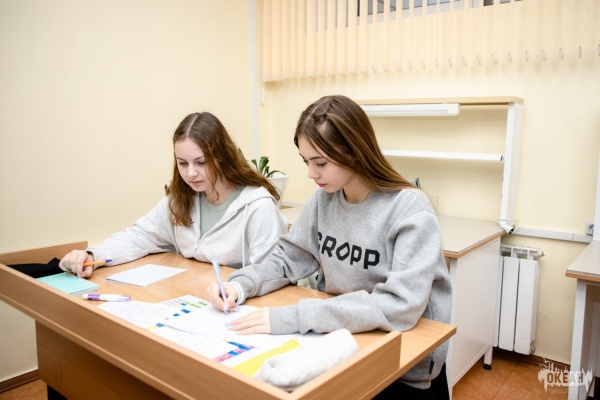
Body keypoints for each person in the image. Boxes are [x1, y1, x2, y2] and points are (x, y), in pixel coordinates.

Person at [207, 95, 452, 399]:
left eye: (320, 163)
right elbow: (289, 257)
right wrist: (241, 285)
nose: (311, 173)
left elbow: (399, 307)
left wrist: (295, 317)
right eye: (306, 161)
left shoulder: (410, 210)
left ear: (355, 152)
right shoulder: (324, 199)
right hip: (341, 344)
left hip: (403, 366)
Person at [60, 112, 288, 278]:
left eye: (201, 162)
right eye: (183, 163)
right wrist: (93, 255)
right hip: (195, 300)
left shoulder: (257, 206)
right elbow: (139, 236)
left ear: (222, 157)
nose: (191, 173)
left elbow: (271, 272)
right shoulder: (180, 200)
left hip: (239, 306)